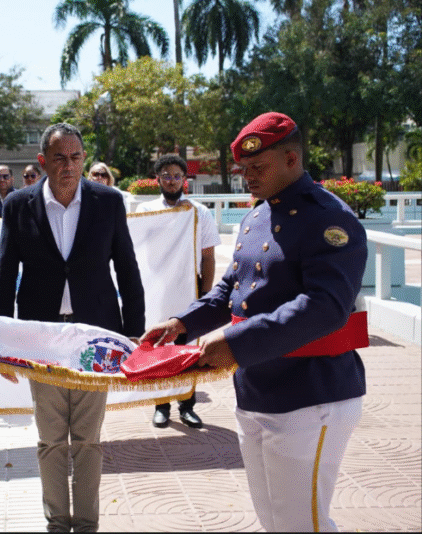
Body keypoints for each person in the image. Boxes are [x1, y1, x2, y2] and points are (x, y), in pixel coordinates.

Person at [142, 112, 368, 533]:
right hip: (256, 389)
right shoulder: (256, 216)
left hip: (311, 393)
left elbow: (326, 306)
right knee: (274, 519)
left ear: (291, 159)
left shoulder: (328, 218)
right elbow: (229, 288)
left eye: (257, 168)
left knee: (303, 524)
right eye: (244, 169)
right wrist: (181, 323)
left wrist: (236, 341)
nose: (247, 177)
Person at [0, 122, 145, 532]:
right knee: (51, 438)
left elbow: (127, 269)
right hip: (40, 338)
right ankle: (58, 522)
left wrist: (134, 333)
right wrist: (1, 342)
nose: (69, 166)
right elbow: (5, 276)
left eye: (76, 157)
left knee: (88, 438)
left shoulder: (108, 202)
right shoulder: (19, 205)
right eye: (59, 158)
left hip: (95, 336)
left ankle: (87, 523)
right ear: (42, 161)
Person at [136, 154, 221, 430]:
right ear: (157, 179)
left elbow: (208, 257)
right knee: (160, 346)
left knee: (187, 348)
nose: (171, 180)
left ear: (185, 179)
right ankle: (161, 406)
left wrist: (206, 295)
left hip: (189, 288)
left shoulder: (199, 212)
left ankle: (187, 405)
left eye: (176, 175)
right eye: (166, 175)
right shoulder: (147, 211)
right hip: (158, 288)